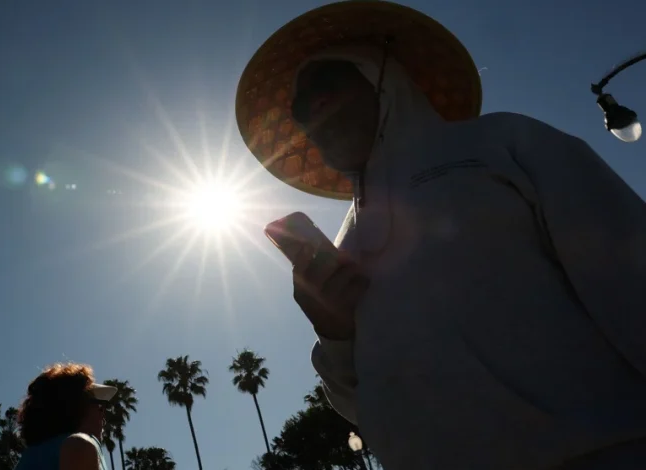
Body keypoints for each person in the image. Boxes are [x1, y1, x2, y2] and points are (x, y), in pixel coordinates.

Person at [235, 1, 646, 469]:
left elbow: (632, 271)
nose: (313, 112)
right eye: (301, 107)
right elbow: (364, 407)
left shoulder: (504, 142)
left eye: (327, 87)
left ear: (381, 77)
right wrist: (333, 334)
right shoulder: (346, 242)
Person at [13, 363, 116, 470]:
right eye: (99, 406)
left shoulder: (31, 456)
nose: (102, 414)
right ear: (77, 406)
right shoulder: (80, 446)